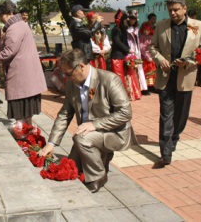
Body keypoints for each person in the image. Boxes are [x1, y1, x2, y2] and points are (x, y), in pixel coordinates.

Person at [39, 49, 137, 193]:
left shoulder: (109, 79)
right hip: (89, 133)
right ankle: (102, 156)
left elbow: (125, 113)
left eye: (68, 74)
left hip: (114, 132)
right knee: (72, 167)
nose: (66, 78)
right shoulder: (72, 85)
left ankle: (98, 176)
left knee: (81, 139)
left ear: (81, 66)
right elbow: (65, 114)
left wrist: (94, 125)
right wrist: (51, 143)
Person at [149, 0, 201, 168]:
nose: (173, 13)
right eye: (170, 10)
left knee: (181, 115)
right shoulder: (161, 26)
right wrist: (160, 59)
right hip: (166, 77)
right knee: (166, 114)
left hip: (186, 75)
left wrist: (189, 62)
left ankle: (175, 136)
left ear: (184, 8)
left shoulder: (200, 26)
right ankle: (165, 153)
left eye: (176, 9)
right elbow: (153, 47)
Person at [0, 0, 47, 124]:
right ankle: (27, 131)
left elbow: (9, 51)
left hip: (21, 74)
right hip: (25, 74)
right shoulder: (20, 25)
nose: (1, 19)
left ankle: (24, 134)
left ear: (9, 13)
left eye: (1, 16)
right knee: (26, 111)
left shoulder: (14, 27)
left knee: (21, 109)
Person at [127, 10, 149, 96]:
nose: (132, 20)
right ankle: (134, 89)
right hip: (130, 50)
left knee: (139, 68)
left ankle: (143, 88)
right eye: (131, 18)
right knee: (131, 68)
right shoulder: (126, 28)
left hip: (136, 50)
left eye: (134, 19)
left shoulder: (136, 28)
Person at [110, 10, 133, 89]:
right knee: (118, 76)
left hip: (122, 56)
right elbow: (117, 42)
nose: (126, 22)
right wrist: (127, 49)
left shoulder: (122, 29)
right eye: (125, 20)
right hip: (117, 56)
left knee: (123, 76)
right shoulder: (116, 29)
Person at [139, 13, 157, 91]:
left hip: (151, 55)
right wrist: (146, 56)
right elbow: (141, 48)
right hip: (145, 57)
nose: (147, 31)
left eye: (148, 30)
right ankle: (146, 86)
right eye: (146, 30)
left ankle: (152, 85)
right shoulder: (142, 37)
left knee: (152, 70)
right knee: (146, 70)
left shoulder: (151, 36)